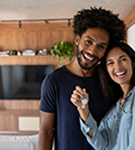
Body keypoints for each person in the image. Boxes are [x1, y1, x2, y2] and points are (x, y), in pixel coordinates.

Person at [38, 7, 126, 150]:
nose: (92, 51)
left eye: (101, 46)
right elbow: (46, 130)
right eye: (88, 42)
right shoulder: (54, 81)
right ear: (77, 39)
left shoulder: (111, 81)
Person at [70, 42, 135, 150]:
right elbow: (101, 145)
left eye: (122, 59)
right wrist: (83, 109)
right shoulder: (117, 105)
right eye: (110, 63)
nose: (117, 66)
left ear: (133, 63)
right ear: (107, 71)